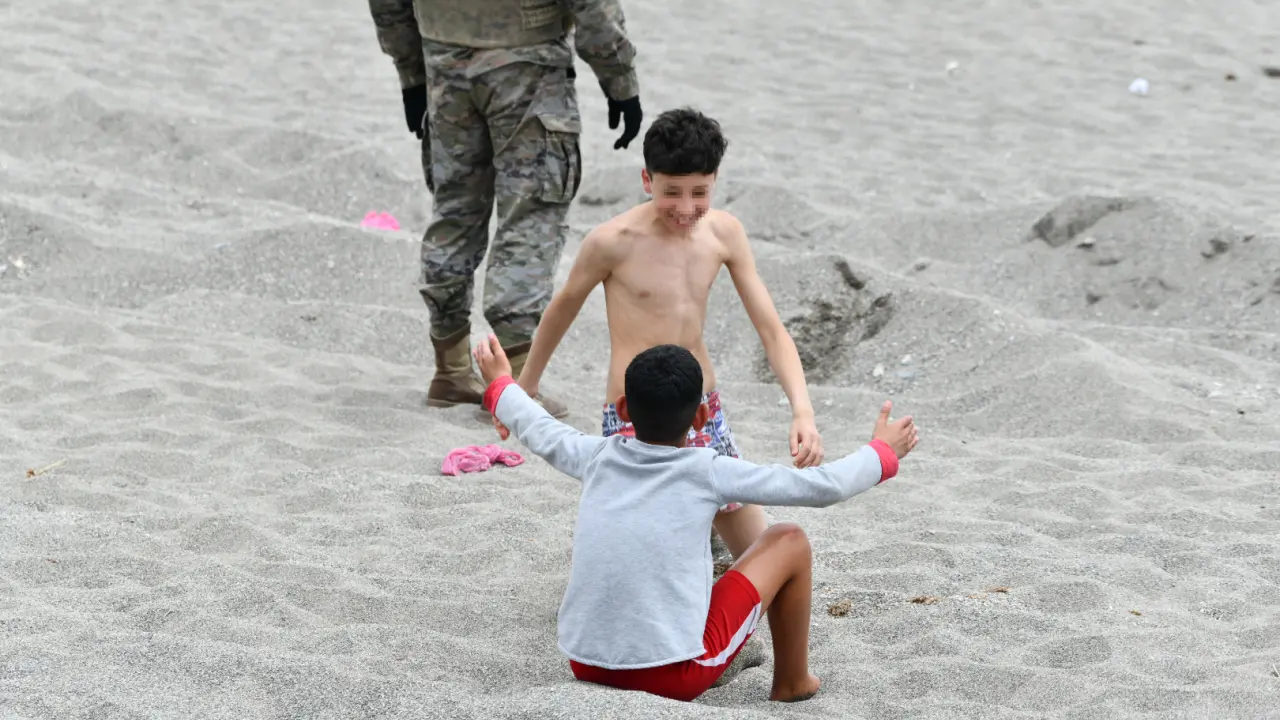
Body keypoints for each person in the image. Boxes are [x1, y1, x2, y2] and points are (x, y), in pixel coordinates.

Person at [472, 337, 919, 703]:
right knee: (789, 539)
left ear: (623, 410)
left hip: (585, 662)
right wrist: (882, 452)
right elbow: (822, 487)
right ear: (702, 418)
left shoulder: (595, 455)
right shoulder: (708, 469)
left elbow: (537, 426)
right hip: (675, 675)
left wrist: (500, 384)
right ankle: (792, 681)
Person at [497, 106, 823, 562]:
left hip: (703, 410)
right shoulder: (612, 241)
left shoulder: (724, 234)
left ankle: (709, 533)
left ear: (715, 180)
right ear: (647, 180)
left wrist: (802, 411)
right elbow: (562, 310)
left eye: (699, 192)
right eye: (672, 192)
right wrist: (524, 389)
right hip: (637, 415)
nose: (686, 209)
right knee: (642, 554)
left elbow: (771, 330)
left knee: (757, 552)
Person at [366, 0, 644, 416]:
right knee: (530, 212)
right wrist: (619, 79)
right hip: (527, 63)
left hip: (443, 59)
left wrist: (411, 73)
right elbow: (593, 7)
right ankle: (514, 382)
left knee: (455, 210)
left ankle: (451, 369)